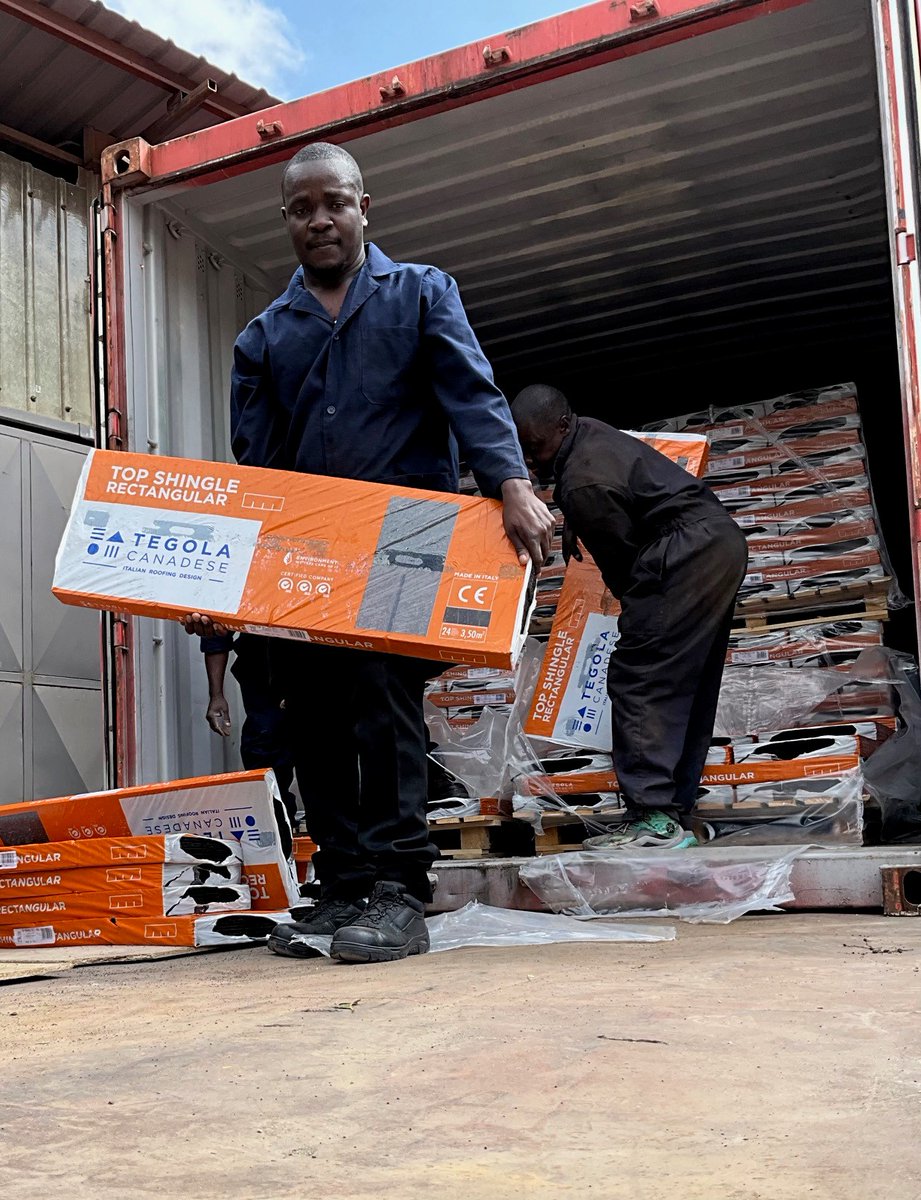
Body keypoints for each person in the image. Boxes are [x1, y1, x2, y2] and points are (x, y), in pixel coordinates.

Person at [185, 142, 552, 963]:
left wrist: (511, 483)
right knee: (307, 708)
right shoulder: (265, 336)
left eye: (335, 202)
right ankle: (342, 882)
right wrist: (238, 574)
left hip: (405, 537)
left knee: (381, 697)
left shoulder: (421, 293)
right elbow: (255, 467)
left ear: (363, 207)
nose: (321, 219)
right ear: (286, 219)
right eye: (303, 207)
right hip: (308, 546)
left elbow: (472, 395)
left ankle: (397, 888)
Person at [510, 384, 748, 849]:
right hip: (718, 542)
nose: (531, 459)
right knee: (684, 679)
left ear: (562, 425)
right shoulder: (589, 435)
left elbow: (625, 569)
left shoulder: (583, 484)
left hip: (686, 552)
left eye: (535, 446)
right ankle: (675, 811)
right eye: (522, 449)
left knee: (639, 674)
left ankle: (653, 816)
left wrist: (642, 620)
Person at [200, 631, 297, 824]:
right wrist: (216, 694)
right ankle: (273, 826)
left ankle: (338, 841)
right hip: (262, 664)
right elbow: (216, 625)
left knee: (325, 747)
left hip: (320, 656)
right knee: (265, 746)